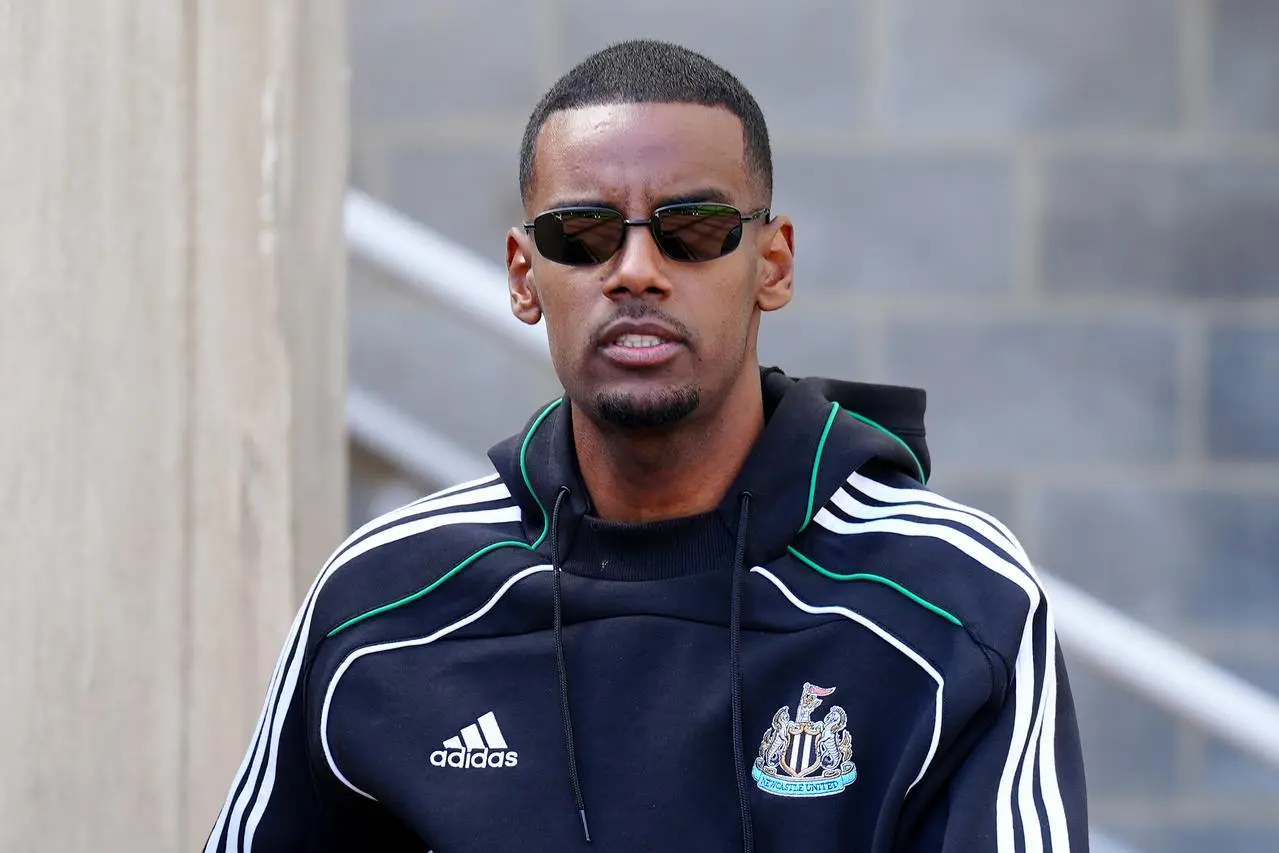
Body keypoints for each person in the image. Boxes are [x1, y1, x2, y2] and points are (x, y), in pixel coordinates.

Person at [205, 39, 1088, 853]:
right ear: (524, 276)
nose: (634, 268)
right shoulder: (383, 601)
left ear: (771, 264)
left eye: (693, 227)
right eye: (581, 234)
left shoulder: (950, 597)